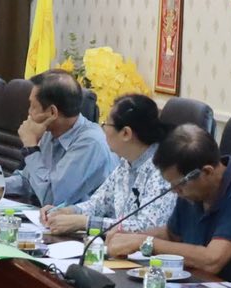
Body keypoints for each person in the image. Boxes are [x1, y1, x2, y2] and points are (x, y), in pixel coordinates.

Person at [108, 124, 231, 288]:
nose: (175, 192)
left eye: (178, 186)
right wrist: (130, 237)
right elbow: (171, 234)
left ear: (207, 172)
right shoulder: (193, 190)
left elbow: (212, 260)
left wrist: (144, 242)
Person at [44, 92, 172, 236]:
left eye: (106, 124)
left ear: (126, 133)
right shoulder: (127, 162)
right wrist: (68, 211)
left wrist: (84, 223)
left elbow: (147, 227)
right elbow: (99, 203)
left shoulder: (163, 171)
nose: (103, 129)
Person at [4, 70, 110, 207]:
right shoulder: (50, 132)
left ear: (52, 112)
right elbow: (29, 180)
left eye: (33, 106)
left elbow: (52, 199)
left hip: (78, 219)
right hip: (44, 215)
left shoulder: (90, 143)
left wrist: (31, 148)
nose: (29, 112)